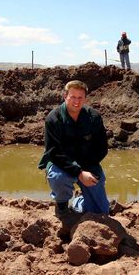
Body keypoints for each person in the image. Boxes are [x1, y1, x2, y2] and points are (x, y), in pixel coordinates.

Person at [38, 80, 110, 217]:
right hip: (62, 164)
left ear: (85, 99)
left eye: (80, 97)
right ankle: (62, 205)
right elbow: (54, 153)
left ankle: (79, 201)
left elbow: (102, 148)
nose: (76, 101)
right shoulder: (53, 119)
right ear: (65, 96)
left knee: (102, 211)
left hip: (88, 164)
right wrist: (78, 172)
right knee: (58, 177)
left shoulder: (94, 117)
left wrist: (85, 170)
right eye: (72, 97)